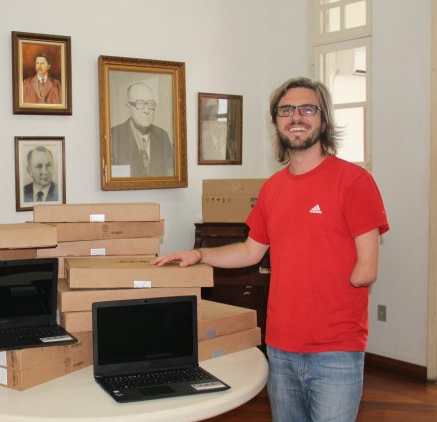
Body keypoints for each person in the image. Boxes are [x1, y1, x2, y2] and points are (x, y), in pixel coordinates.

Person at [152, 77, 389, 422]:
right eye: (286, 110)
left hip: (336, 349)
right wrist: (201, 255)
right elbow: (251, 250)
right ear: (276, 121)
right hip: (280, 346)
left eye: (307, 109)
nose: (296, 117)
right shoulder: (273, 189)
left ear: (324, 119)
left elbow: (366, 271)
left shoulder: (354, 181)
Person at [110, 82, 174, 177]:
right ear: (128, 106)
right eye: (140, 104)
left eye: (151, 104)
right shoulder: (112, 136)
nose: (146, 110)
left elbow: (170, 175)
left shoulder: (163, 136)